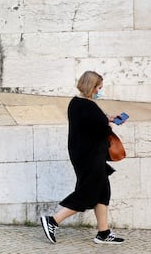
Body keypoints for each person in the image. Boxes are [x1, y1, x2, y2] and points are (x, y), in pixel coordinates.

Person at [41, 71, 124, 244]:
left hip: (87, 154)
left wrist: (107, 118)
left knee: (102, 192)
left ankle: (103, 232)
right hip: (90, 156)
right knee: (88, 192)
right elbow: (101, 130)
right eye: (99, 87)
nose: (100, 90)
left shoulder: (78, 103)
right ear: (91, 87)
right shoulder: (87, 106)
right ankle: (53, 220)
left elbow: (91, 124)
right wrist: (108, 124)